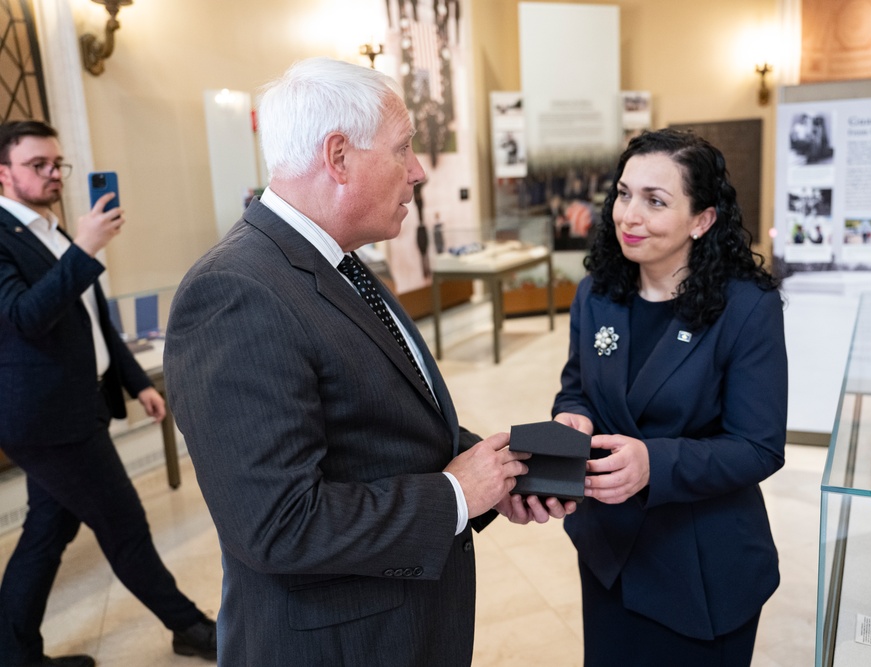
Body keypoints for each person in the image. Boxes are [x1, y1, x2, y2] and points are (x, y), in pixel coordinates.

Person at [163, 57, 571, 667]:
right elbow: (278, 523)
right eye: (403, 149)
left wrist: (495, 473)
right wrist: (456, 493)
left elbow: (375, 422)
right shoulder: (236, 292)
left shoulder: (337, 259)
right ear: (338, 156)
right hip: (337, 643)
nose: (419, 171)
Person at [552, 128, 787, 666]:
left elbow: (758, 446)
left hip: (700, 564)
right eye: (624, 193)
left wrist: (651, 463)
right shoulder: (597, 292)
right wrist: (573, 418)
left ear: (701, 220)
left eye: (655, 201)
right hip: (609, 553)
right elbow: (577, 387)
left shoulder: (747, 308)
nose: (629, 215)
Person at [0, 120, 217, 667]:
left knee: (48, 530)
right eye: (38, 165)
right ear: (4, 173)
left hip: (76, 406)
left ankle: (14, 653)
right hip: (47, 420)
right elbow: (24, 319)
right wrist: (86, 250)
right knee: (124, 525)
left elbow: (91, 320)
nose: (53, 174)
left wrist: (136, 380)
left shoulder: (52, 232)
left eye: (57, 164)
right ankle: (188, 626)